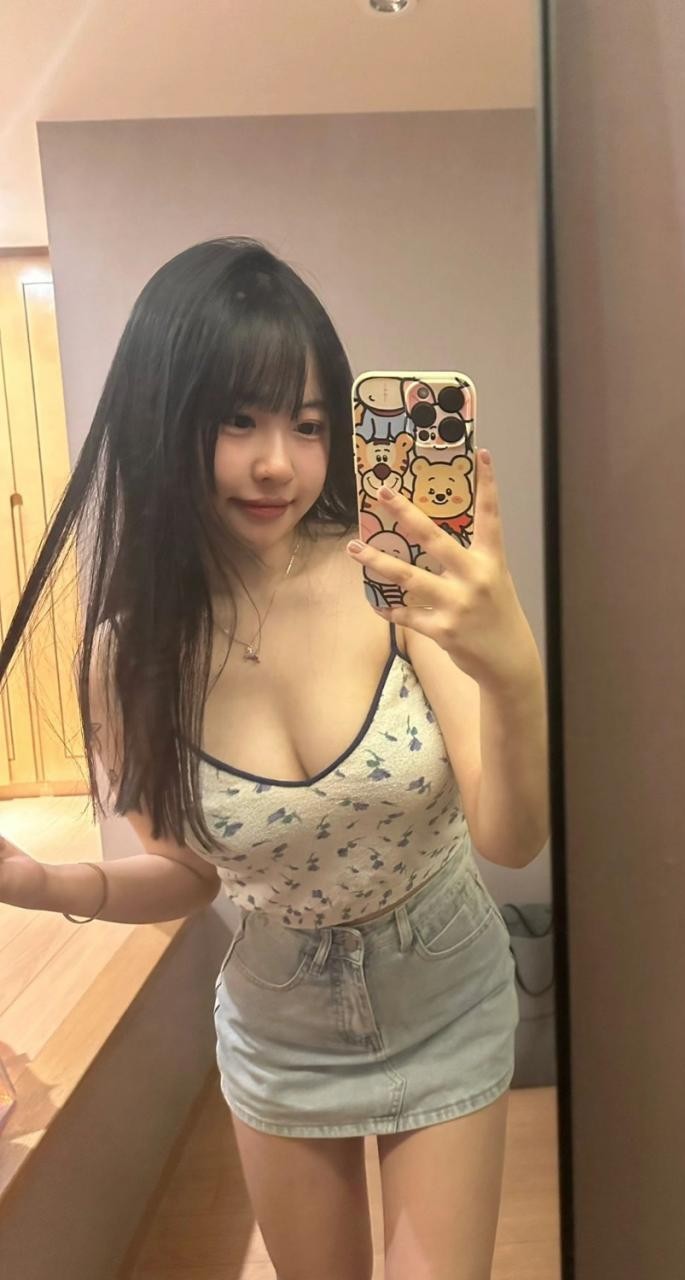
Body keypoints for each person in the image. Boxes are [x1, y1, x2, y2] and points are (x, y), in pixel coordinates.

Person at [0, 238, 549, 1280]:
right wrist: (44, 882)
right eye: (237, 419)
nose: (278, 464)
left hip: (444, 987)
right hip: (279, 1021)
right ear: (166, 420)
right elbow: (187, 873)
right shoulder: (131, 657)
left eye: (307, 423)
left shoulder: (395, 578)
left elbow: (512, 838)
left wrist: (514, 672)